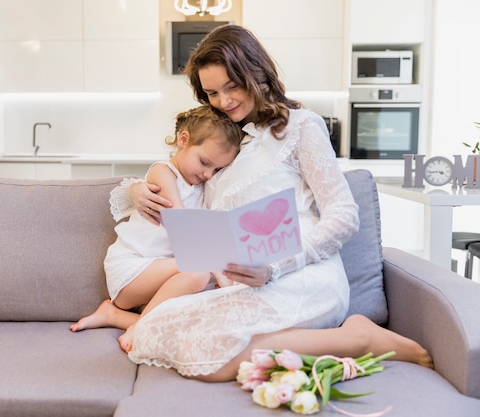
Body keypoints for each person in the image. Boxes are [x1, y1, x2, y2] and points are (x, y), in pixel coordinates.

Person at [108, 24, 433, 381]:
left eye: (232, 86)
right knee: (162, 331)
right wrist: (134, 190)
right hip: (245, 283)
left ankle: (357, 337)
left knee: (211, 362)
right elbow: (176, 177)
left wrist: (275, 267)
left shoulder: (300, 127)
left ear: (256, 72)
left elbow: (344, 215)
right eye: (212, 92)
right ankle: (339, 338)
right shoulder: (222, 142)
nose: (224, 101)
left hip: (301, 276)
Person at [70, 105, 242, 351]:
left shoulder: (200, 186)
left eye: (215, 169)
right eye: (204, 162)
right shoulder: (163, 173)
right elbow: (183, 229)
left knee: (200, 312)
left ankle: (114, 316)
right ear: (183, 140)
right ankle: (139, 329)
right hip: (132, 270)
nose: (207, 173)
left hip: (161, 276)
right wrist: (218, 271)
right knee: (199, 273)